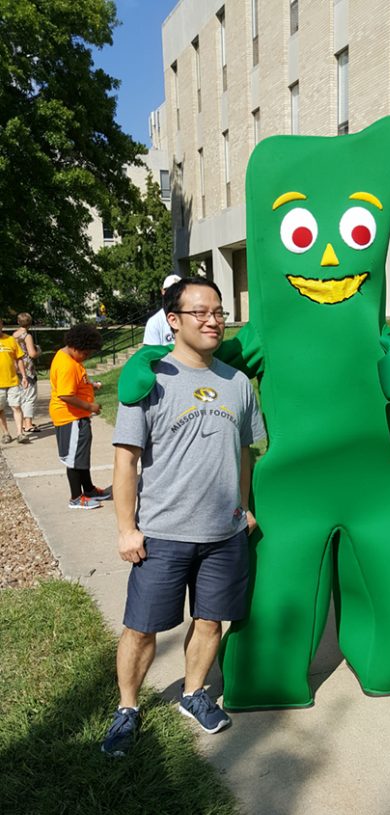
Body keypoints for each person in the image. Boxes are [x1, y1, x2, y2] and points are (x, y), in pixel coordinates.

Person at [101, 276, 265, 756]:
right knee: (141, 627)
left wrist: (244, 507)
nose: (214, 320)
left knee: (212, 620)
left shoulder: (237, 383)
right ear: (173, 321)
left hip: (224, 533)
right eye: (201, 312)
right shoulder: (151, 380)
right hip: (163, 534)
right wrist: (126, 528)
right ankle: (127, 708)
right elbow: (125, 460)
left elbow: (246, 451)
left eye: (219, 311)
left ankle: (193, 693)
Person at [49, 323, 112, 510]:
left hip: (78, 418)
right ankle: (76, 498)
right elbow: (65, 395)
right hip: (71, 418)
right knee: (74, 459)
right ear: (76, 347)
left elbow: (76, 383)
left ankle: (89, 489)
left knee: (81, 456)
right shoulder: (67, 365)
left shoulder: (69, 357)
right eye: (86, 354)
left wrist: (90, 385)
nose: (87, 357)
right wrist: (90, 406)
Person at [0, 318, 30, 444]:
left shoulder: (11, 340)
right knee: (0, 409)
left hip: (12, 380)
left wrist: (24, 376)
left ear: (1, 324)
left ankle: (20, 434)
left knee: (16, 406)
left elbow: (19, 359)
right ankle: (6, 433)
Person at [13, 313, 41, 433]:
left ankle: (24, 422)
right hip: (27, 368)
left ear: (18, 322)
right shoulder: (26, 335)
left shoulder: (14, 335)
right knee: (30, 396)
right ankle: (28, 424)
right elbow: (32, 353)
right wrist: (39, 351)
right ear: (30, 323)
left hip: (16, 367)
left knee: (22, 395)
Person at [142, 273, 181, 346]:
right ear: (163, 291)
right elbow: (151, 354)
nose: (174, 294)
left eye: (179, 290)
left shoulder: (191, 318)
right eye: (169, 290)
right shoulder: (154, 322)